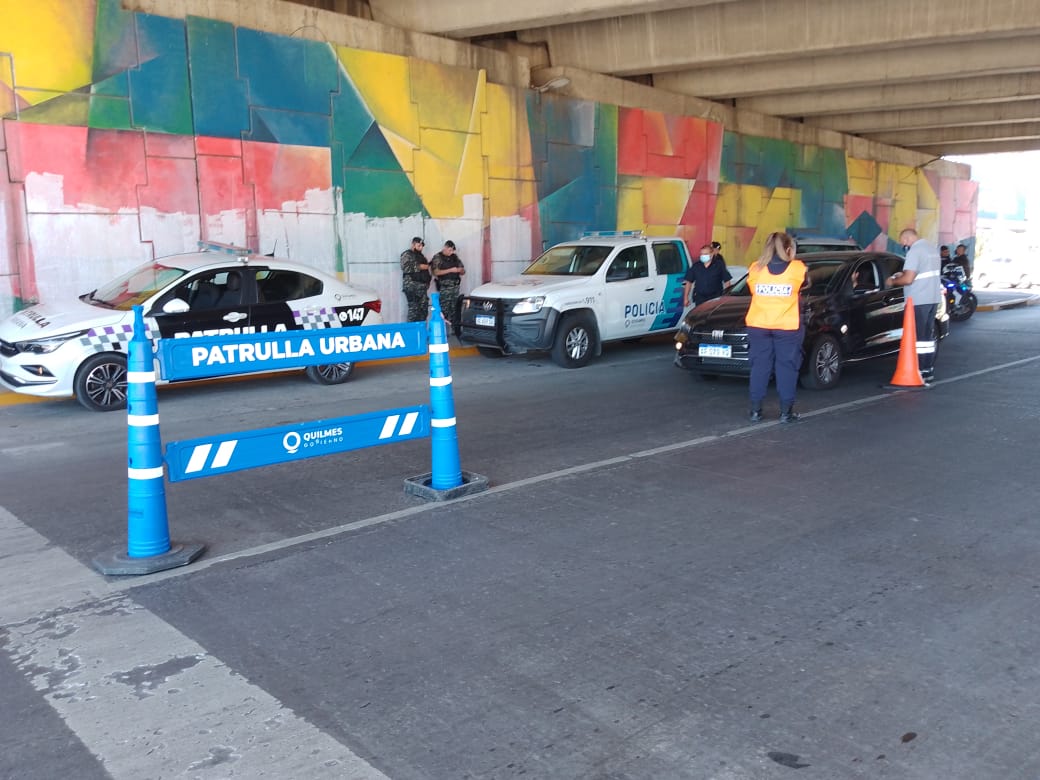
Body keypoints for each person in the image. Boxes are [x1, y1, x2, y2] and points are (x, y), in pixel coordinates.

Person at [745, 232, 808, 423]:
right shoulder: (797, 268)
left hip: (758, 324)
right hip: (786, 327)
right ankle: (786, 413)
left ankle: (755, 412)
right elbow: (805, 285)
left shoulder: (755, 268)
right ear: (789, 249)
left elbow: (753, 290)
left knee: (759, 366)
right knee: (787, 367)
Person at [890, 228, 942, 383]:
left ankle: (917, 370)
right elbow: (921, 272)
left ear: (907, 238)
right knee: (926, 336)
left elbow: (908, 280)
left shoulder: (915, 251)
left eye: (903, 242)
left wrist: (893, 281)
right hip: (932, 298)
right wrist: (903, 274)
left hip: (918, 299)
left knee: (917, 337)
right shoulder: (931, 249)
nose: (903, 245)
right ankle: (927, 369)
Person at [430, 240, 466, 336]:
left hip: (455, 287)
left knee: (455, 309)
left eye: (452, 251)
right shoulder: (438, 257)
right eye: (449, 250)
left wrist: (460, 270)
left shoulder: (455, 257)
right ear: (445, 248)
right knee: (444, 310)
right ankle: (442, 331)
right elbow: (436, 272)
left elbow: (463, 271)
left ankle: (455, 331)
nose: (451, 253)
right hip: (445, 288)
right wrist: (451, 270)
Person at [683, 243, 733, 307]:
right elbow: (689, 282)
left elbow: (727, 281)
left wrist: (727, 296)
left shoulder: (719, 265)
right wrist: (686, 298)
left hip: (715, 298)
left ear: (711, 255)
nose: (703, 256)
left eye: (705, 254)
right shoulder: (696, 266)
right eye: (701, 254)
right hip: (700, 298)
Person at [400, 236, 431, 322]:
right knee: (414, 311)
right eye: (419, 245)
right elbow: (405, 267)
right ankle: (410, 329)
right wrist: (420, 267)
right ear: (413, 245)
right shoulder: (407, 254)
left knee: (424, 310)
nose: (421, 248)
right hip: (412, 287)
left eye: (422, 246)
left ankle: (421, 329)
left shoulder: (421, 256)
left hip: (422, 287)